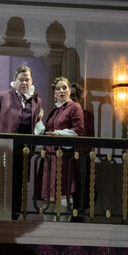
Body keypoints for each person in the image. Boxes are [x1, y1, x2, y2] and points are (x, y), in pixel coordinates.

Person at [36, 77, 84, 209]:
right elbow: (47, 132)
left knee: (64, 191)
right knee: (49, 198)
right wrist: (39, 121)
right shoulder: (54, 111)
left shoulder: (74, 107)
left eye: (64, 88)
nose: (61, 91)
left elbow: (79, 129)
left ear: (69, 91)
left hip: (64, 157)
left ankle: (64, 218)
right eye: (58, 89)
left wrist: (59, 133)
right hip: (49, 158)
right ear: (54, 94)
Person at [0, 65, 44, 135]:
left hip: (27, 141)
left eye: (27, 80)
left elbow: (35, 126)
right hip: (5, 141)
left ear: (31, 81)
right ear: (15, 80)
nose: (24, 83)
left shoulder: (36, 101)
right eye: (21, 80)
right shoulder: (1, 97)